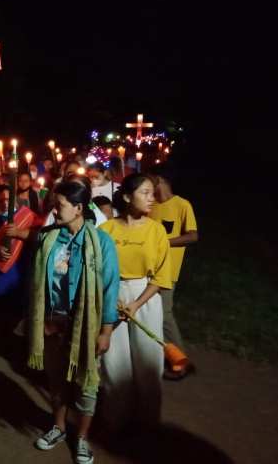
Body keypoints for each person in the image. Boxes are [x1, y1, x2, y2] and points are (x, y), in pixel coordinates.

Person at [29, 181, 120, 464]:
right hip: (53, 324)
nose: (54, 211)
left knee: (86, 385)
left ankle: (81, 438)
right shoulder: (49, 239)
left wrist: (105, 331)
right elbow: (37, 285)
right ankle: (58, 428)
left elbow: (109, 289)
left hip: (86, 328)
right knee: (56, 382)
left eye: (60, 206)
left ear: (79, 208)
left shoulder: (101, 242)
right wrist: (41, 320)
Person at [98, 174, 172, 431]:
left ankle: (149, 422)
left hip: (145, 296)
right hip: (111, 295)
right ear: (128, 197)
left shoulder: (156, 230)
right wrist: (110, 295)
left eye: (153, 193)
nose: (152, 199)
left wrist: (137, 303)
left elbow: (162, 276)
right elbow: (96, 268)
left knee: (149, 359)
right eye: (146, 193)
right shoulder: (106, 230)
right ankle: (115, 419)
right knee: (114, 361)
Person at [148, 164, 198, 380]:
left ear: (160, 180)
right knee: (151, 315)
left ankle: (181, 361)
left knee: (165, 314)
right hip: (148, 267)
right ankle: (160, 358)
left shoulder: (181, 205)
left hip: (168, 269)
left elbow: (193, 236)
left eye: (150, 180)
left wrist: (165, 242)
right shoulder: (151, 206)